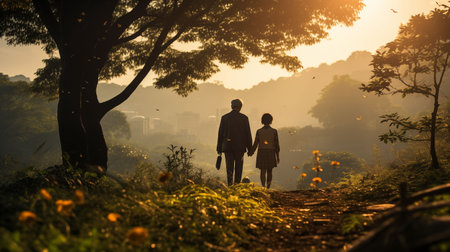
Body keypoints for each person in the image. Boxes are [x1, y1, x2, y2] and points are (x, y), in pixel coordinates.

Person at [217, 99, 252, 186]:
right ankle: (237, 185)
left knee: (229, 167)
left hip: (228, 147)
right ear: (240, 107)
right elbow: (248, 134)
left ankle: (230, 185)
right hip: (240, 147)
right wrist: (250, 148)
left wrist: (219, 148)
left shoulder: (224, 118)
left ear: (231, 106)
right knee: (239, 167)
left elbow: (220, 134)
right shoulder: (244, 118)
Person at [249, 113, 280, 188]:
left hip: (261, 152)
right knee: (270, 171)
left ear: (262, 121)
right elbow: (276, 145)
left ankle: (263, 186)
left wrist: (251, 152)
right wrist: (277, 156)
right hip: (271, 152)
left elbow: (256, 144)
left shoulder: (259, 131)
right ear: (271, 121)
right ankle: (268, 187)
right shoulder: (274, 131)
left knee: (263, 171)